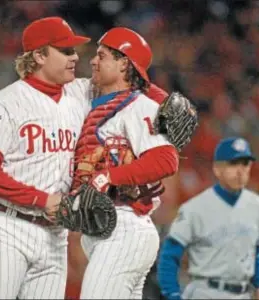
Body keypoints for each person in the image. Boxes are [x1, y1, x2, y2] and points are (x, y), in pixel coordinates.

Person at [0, 17, 93, 299]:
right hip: (7, 229)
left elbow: (123, 80)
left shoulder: (79, 93)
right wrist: (40, 199)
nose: (75, 57)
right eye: (65, 51)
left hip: (55, 235)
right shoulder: (4, 104)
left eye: (73, 50)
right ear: (39, 55)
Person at [70, 27, 183, 299]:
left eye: (102, 55)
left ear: (123, 63)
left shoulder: (139, 106)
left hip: (124, 225)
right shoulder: (93, 101)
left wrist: (109, 176)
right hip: (103, 230)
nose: (93, 61)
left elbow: (166, 160)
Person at [157, 137, 259, 300]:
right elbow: (169, 257)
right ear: (217, 169)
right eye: (233, 164)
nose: (240, 171)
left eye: (245, 164)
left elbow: (255, 253)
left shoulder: (257, 206)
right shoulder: (195, 208)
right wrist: (173, 294)